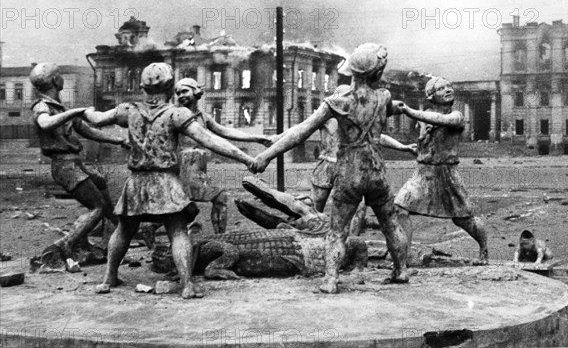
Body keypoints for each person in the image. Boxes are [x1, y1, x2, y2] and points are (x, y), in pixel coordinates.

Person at [84, 63, 255, 299]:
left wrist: (77, 111)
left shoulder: (128, 110)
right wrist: (246, 158)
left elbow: (96, 118)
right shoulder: (176, 114)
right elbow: (209, 140)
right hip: (165, 180)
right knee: (177, 232)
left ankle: (108, 278)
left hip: (136, 181)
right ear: (170, 86)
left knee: (124, 230)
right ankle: (186, 285)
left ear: (143, 85)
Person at [253, 43, 410, 294]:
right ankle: (401, 270)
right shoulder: (384, 98)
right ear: (376, 72)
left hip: (350, 171)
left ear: (353, 71)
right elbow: (392, 108)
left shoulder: (339, 102)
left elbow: (299, 132)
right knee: (390, 223)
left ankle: (330, 279)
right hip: (377, 170)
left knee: (337, 230)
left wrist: (266, 155)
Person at [29, 62, 126, 270]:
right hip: (64, 165)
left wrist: (117, 140)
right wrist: (74, 111)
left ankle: (118, 234)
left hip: (73, 163)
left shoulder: (59, 108)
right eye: (60, 75)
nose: (62, 78)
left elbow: (88, 131)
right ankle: (65, 245)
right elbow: (45, 123)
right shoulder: (42, 106)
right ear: (56, 80)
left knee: (100, 184)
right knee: (97, 208)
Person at [393, 76, 489, 265]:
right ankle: (404, 257)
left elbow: (440, 120)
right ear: (431, 96)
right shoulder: (424, 118)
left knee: (463, 220)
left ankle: (484, 249)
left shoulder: (457, 116)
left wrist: (410, 111)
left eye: (449, 86)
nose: (447, 90)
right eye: (441, 88)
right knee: (400, 207)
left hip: (447, 175)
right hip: (423, 173)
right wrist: (419, 150)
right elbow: (429, 135)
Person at [174, 78, 271, 233]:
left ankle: (219, 236)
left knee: (187, 206)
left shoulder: (202, 116)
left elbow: (225, 131)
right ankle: (218, 236)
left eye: (184, 91)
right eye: (177, 93)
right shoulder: (177, 115)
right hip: (183, 167)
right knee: (214, 198)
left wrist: (257, 138)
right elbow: (210, 140)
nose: (180, 96)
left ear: (196, 91)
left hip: (197, 169)